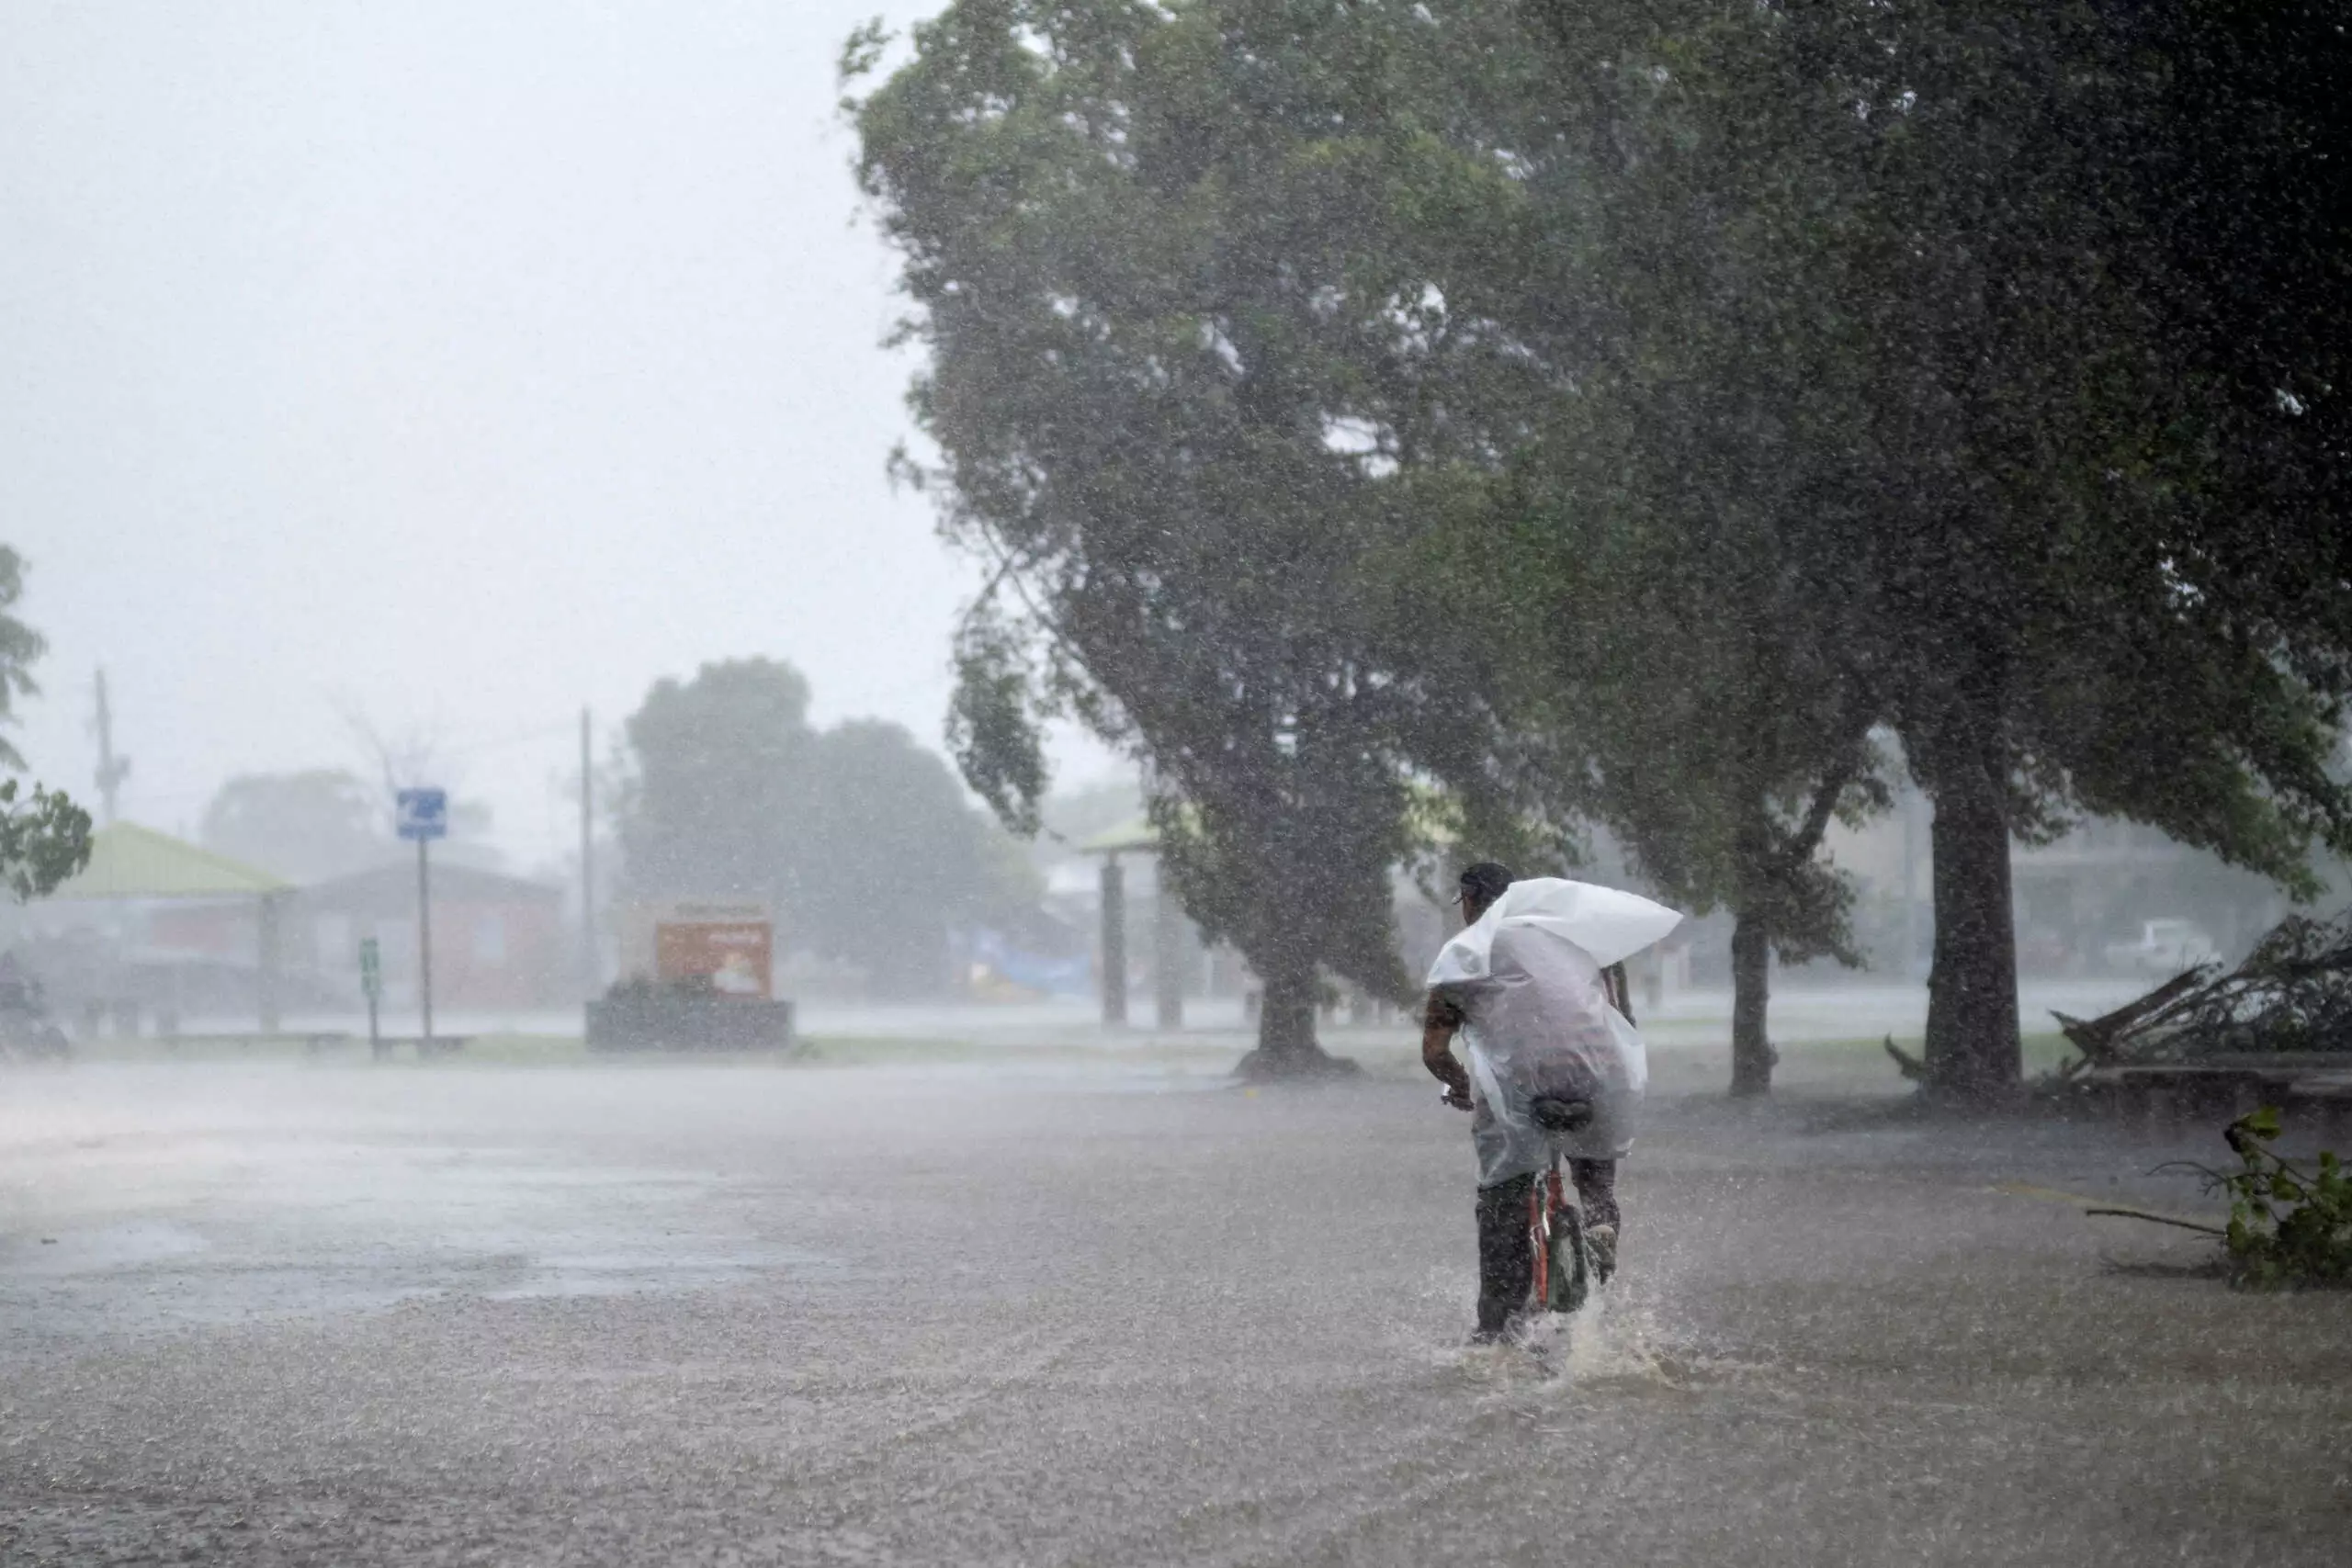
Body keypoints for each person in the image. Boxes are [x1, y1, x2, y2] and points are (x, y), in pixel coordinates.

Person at [1420, 862, 1679, 1340]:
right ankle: (1600, 1227)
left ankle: (1496, 1327)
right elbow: (1621, 1017)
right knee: (1596, 1179)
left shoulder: (1465, 954)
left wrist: (1457, 1082)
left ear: (1472, 900)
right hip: (1600, 1079)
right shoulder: (1579, 937)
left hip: (1519, 1090)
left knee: (1502, 1195)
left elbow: (1435, 1050)